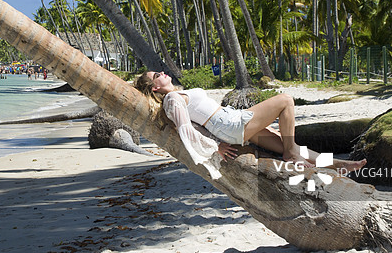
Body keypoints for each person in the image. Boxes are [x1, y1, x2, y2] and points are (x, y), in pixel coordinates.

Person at [134, 71, 366, 180]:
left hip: (230, 122)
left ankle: (339, 164)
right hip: (229, 124)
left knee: (287, 144)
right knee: (286, 100)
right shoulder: (173, 100)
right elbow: (186, 130)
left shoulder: (177, 95)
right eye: (157, 74)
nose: (162, 72)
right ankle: (292, 154)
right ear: (154, 87)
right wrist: (216, 146)